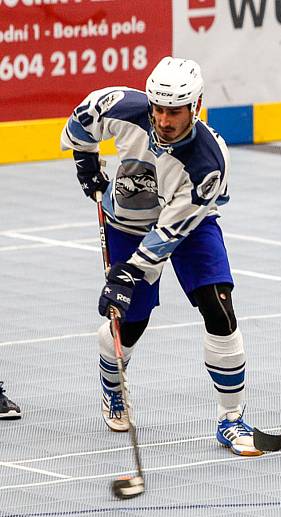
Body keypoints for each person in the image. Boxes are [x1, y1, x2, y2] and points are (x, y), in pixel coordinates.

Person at [60, 57, 261, 457]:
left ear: (196, 106)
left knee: (219, 308)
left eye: (175, 111)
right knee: (130, 323)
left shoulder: (208, 162)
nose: (164, 119)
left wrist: (128, 274)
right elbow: (80, 122)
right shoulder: (120, 106)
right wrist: (85, 162)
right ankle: (114, 384)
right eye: (159, 109)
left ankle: (231, 419)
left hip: (189, 224)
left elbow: (169, 233)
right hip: (127, 222)